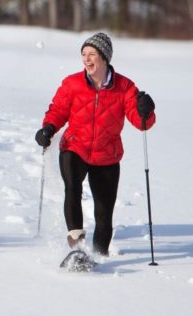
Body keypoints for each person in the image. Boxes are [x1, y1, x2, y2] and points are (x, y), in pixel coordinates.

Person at [35, 32, 155, 257]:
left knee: (104, 211)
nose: (86, 59)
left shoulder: (125, 87)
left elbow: (141, 123)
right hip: (74, 147)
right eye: (83, 54)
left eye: (92, 54)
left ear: (105, 57)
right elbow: (58, 110)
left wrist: (145, 110)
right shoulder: (72, 83)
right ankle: (77, 247)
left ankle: (99, 255)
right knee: (72, 188)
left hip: (107, 154)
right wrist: (48, 128)